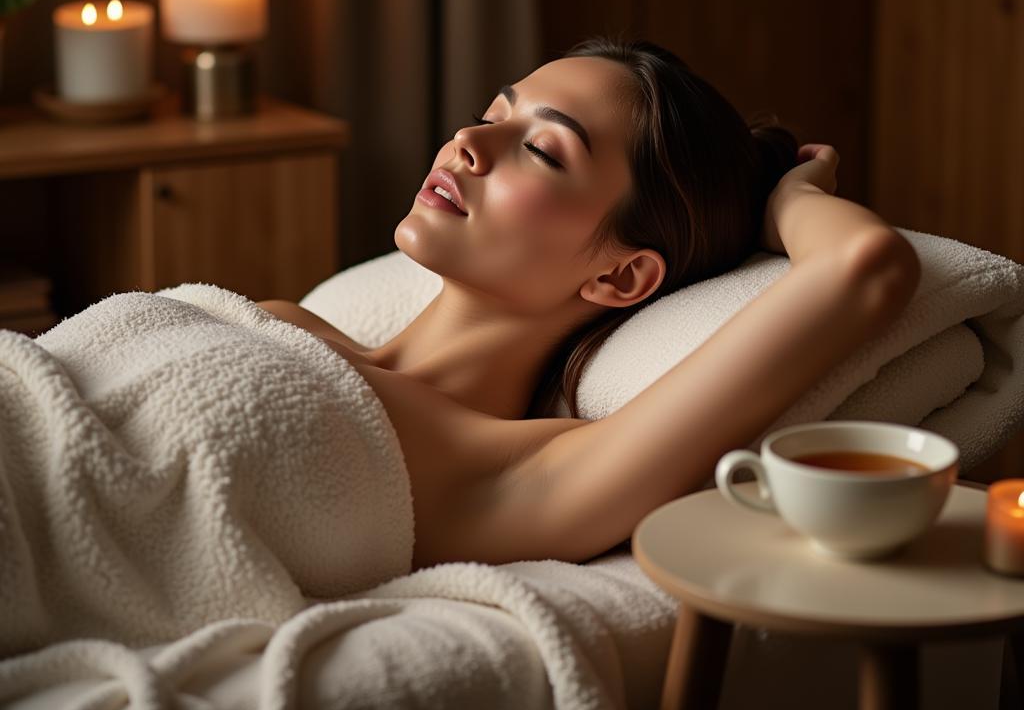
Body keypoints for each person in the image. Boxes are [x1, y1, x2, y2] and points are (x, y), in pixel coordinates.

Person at [257, 36, 921, 570]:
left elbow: (862, 268)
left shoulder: (519, 472)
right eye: (493, 115)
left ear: (622, 277)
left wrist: (793, 198)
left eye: (542, 150)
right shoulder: (280, 319)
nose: (468, 141)